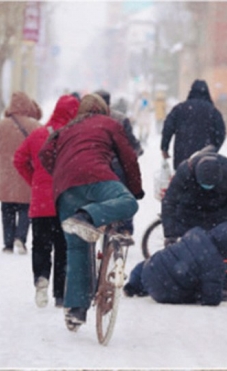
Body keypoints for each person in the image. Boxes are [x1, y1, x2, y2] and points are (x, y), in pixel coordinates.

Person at [39, 93, 144, 331]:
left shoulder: (66, 129)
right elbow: (129, 159)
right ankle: (87, 215)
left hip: (65, 190)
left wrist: (62, 172)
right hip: (98, 178)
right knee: (128, 202)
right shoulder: (110, 124)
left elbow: (44, 154)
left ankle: (75, 310)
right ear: (104, 110)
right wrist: (135, 189)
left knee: (76, 248)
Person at [13, 94, 80, 309]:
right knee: (63, 246)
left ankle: (41, 279)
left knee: (40, 245)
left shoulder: (39, 134)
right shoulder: (74, 137)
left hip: (42, 200)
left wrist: (34, 180)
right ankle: (60, 294)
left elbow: (19, 159)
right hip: (66, 200)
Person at [161, 146, 227, 301]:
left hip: (218, 214)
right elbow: (169, 202)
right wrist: (170, 233)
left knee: (220, 249)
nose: (208, 189)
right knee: (190, 251)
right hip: (189, 214)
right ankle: (190, 286)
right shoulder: (185, 171)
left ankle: (220, 287)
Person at [124, 222, 227, 305]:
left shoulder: (196, 233)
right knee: (181, 284)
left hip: (149, 270)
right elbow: (211, 298)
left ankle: (132, 285)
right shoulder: (216, 265)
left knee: (158, 261)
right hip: (165, 293)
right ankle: (153, 288)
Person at [0, 91, 40, 254]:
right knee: (25, 207)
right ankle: (20, 238)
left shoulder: (0, 125)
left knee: (7, 208)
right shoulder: (35, 126)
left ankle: (8, 243)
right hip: (26, 172)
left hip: (6, 172)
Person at [94, 89, 143, 235]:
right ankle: (126, 229)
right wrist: (137, 151)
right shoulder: (120, 119)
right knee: (125, 195)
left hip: (96, 166)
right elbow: (131, 144)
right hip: (117, 165)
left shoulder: (88, 119)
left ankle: (96, 222)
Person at [161, 79, 226, 170]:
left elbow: (167, 128)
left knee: (182, 182)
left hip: (182, 158)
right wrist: (213, 150)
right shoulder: (213, 112)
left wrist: (164, 148)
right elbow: (221, 133)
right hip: (205, 160)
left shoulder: (179, 109)